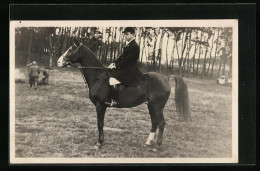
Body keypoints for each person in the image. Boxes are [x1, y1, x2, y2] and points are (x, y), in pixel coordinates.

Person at [105, 27, 143, 106]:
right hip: (125, 68)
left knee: (112, 79)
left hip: (130, 69)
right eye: (124, 35)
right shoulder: (129, 45)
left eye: (127, 34)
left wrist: (117, 66)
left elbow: (128, 60)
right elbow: (122, 57)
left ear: (133, 34)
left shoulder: (134, 46)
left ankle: (115, 101)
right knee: (109, 75)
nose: (125, 36)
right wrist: (114, 63)